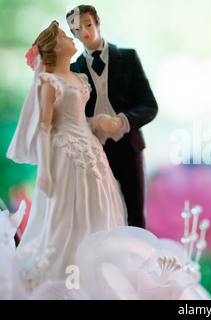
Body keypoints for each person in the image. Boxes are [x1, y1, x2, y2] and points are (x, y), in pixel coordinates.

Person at [7, 21, 127, 291]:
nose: (72, 37)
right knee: (67, 216)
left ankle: (92, 275)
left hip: (89, 152)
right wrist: (46, 173)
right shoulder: (49, 82)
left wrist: (99, 122)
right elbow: (44, 128)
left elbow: (79, 119)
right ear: (54, 47)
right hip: (64, 156)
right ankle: (62, 281)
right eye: (64, 35)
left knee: (96, 210)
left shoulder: (77, 78)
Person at [66, 5, 158, 228]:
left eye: (88, 24)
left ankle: (138, 259)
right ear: (73, 34)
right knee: (100, 214)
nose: (85, 32)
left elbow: (149, 105)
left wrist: (121, 120)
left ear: (97, 22)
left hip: (128, 148)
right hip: (94, 151)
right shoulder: (72, 69)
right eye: (77, 29)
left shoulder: (127, 57)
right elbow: (71, 115)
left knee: (134, 213)